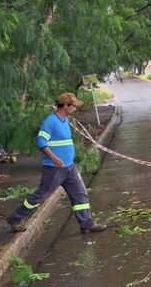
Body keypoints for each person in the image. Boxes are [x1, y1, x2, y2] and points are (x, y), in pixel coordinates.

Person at [7, 92, 106, 233]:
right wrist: (54, 157)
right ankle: (16, 218)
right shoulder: (51, 121)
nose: (75, 109)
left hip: (69, 167)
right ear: (65, 106)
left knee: (80, 194)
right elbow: (41, 141)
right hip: (54, 168)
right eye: (73, 106)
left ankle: (87, 224)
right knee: (41, 195)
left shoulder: (65, 121)